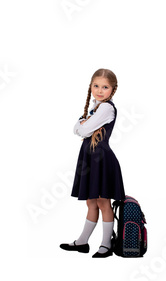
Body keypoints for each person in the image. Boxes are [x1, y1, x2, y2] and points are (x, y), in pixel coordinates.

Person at [60, 68, 126, 258]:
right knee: (91, 202)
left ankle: (105, 245)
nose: (99, 90)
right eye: (96, 86)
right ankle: (82, 242)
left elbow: (83, 130)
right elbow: (77, 129)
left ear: (113, 90)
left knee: (103, 201)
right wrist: (83, 124)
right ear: (90, 86)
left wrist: (83, 123)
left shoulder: (105, 108)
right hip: (90, 159)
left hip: (101, 160)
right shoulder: (95, 108)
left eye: (105, 87)